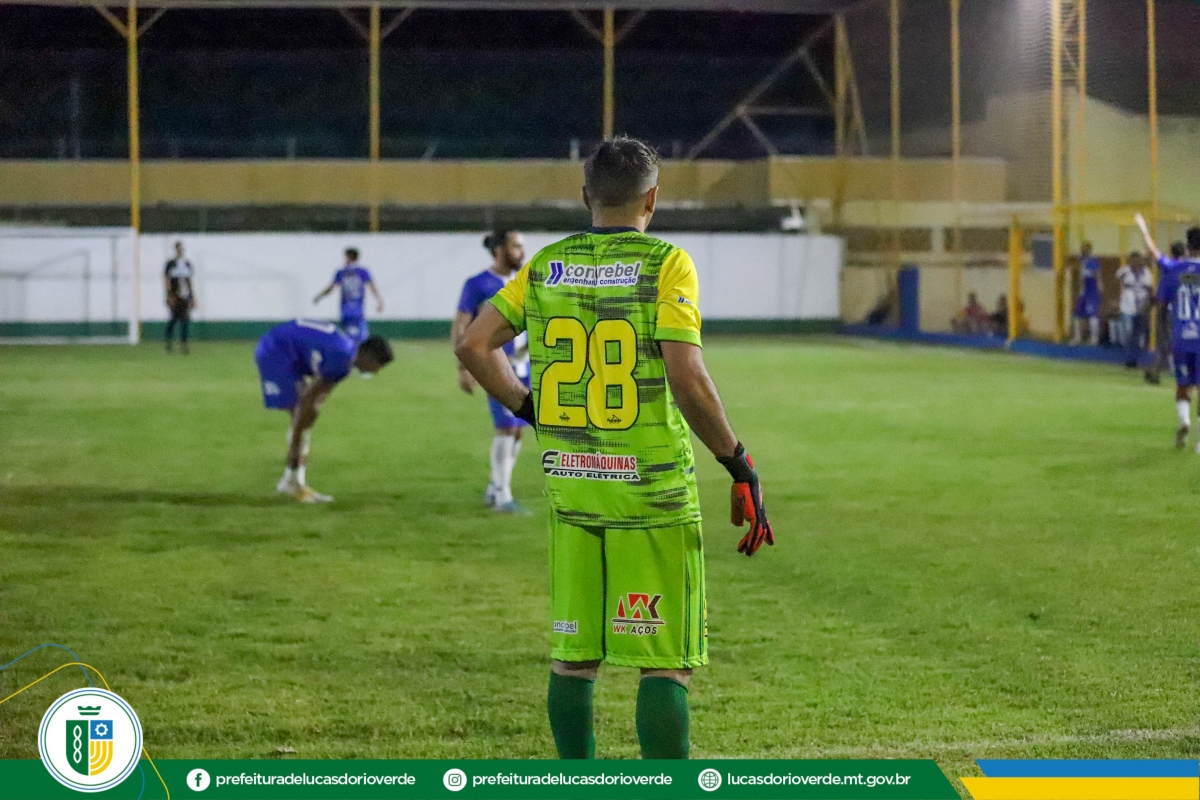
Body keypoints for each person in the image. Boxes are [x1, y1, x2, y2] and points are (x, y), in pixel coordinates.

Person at [455, 137, 775, 760]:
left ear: (586, 197)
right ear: (651, 199)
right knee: (664, 662)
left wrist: (529, 408)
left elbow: (473, 344)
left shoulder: (547, 265)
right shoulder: (667, 264)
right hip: (651, 492)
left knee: (574, 658)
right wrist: (738, 463)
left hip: (574, 487)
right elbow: (687, 377)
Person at [254, 319, 394, 501]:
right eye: (379, 365)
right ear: (369, 357)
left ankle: (293, 480)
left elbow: (317, 398)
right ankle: (293, 481)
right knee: (299, 413)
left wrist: (309, 416)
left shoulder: (347, 353)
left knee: (306, 415)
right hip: (276, 351)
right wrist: (295, 447)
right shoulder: (341, 359)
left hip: (287, 348)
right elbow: (306, 401)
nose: (377, 371)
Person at [452, 230, 531, 513]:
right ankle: (502, 496)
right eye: (516, 246)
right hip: (496, 365)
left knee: (519, 429)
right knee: (506, 428)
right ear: (499, 250)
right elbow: (461, 324)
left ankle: (494, 488)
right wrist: (464, 366)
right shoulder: (478, 284)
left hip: (524, 365)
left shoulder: (523, 281)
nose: (522, 252)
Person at [1138, 220, 1200, 447]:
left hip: (1180, 337)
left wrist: (1164, 333)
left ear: (1188, 246)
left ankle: (1184, 420)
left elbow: (1161, 305)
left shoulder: (1173, 272)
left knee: (1183, 384)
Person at [313, 248, 384, 342]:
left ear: (348, 258)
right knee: (361, 335)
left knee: (347, 335)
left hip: (345, 308)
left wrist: (319, 296)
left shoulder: (342, 272)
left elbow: (331, 288)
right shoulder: (363, 272)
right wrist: (379, 300)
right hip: (358, 308)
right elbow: (372, 287)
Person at [1145, 241, 1186, 385]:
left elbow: (1157, 256)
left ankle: (1154, 370)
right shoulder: (1184, 268)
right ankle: (1155, 371)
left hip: (1165, 309)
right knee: (1173, 344)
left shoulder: (1167, 268)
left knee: (1165, 344)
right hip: (1180, 312)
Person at [1116, 252, 1154, 368]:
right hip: (1128, 303)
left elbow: (1150, 289)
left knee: (1137, 333)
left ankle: (1133, 359)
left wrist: (1148, 305)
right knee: (1128, 331)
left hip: (1142, 304)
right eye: (1133, 260)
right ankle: (1130, 356)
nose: (1136, 262)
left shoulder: (1146, 272)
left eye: (1138, 260)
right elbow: (1118, 277)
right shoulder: (1125, 270)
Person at [163, 241, 196, 353]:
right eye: (179, 249)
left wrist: (192, 297)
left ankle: (184, 343)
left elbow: (190, 281)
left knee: (185, 321)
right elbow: (166, 280)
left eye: (182, 249)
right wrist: (169, 295)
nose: (180, 251)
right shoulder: (171, 264)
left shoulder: (187, 264)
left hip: (185, 296)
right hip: (175, 296)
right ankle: (168, 341)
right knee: (173, 319)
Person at [1071, 242, 1102, 345]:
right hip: (1082, 291)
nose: (1083, 251)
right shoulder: (1080, 261)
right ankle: (1077, 337)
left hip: (1091, 290)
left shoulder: (1092, 261)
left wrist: (1099, 287)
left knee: (1092, 315)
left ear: (1089, 250)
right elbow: (1074, 270)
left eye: (1085, 250)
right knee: (1076, 314)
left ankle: (1094, 339)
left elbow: (1097, 274)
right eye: (1082, 249)